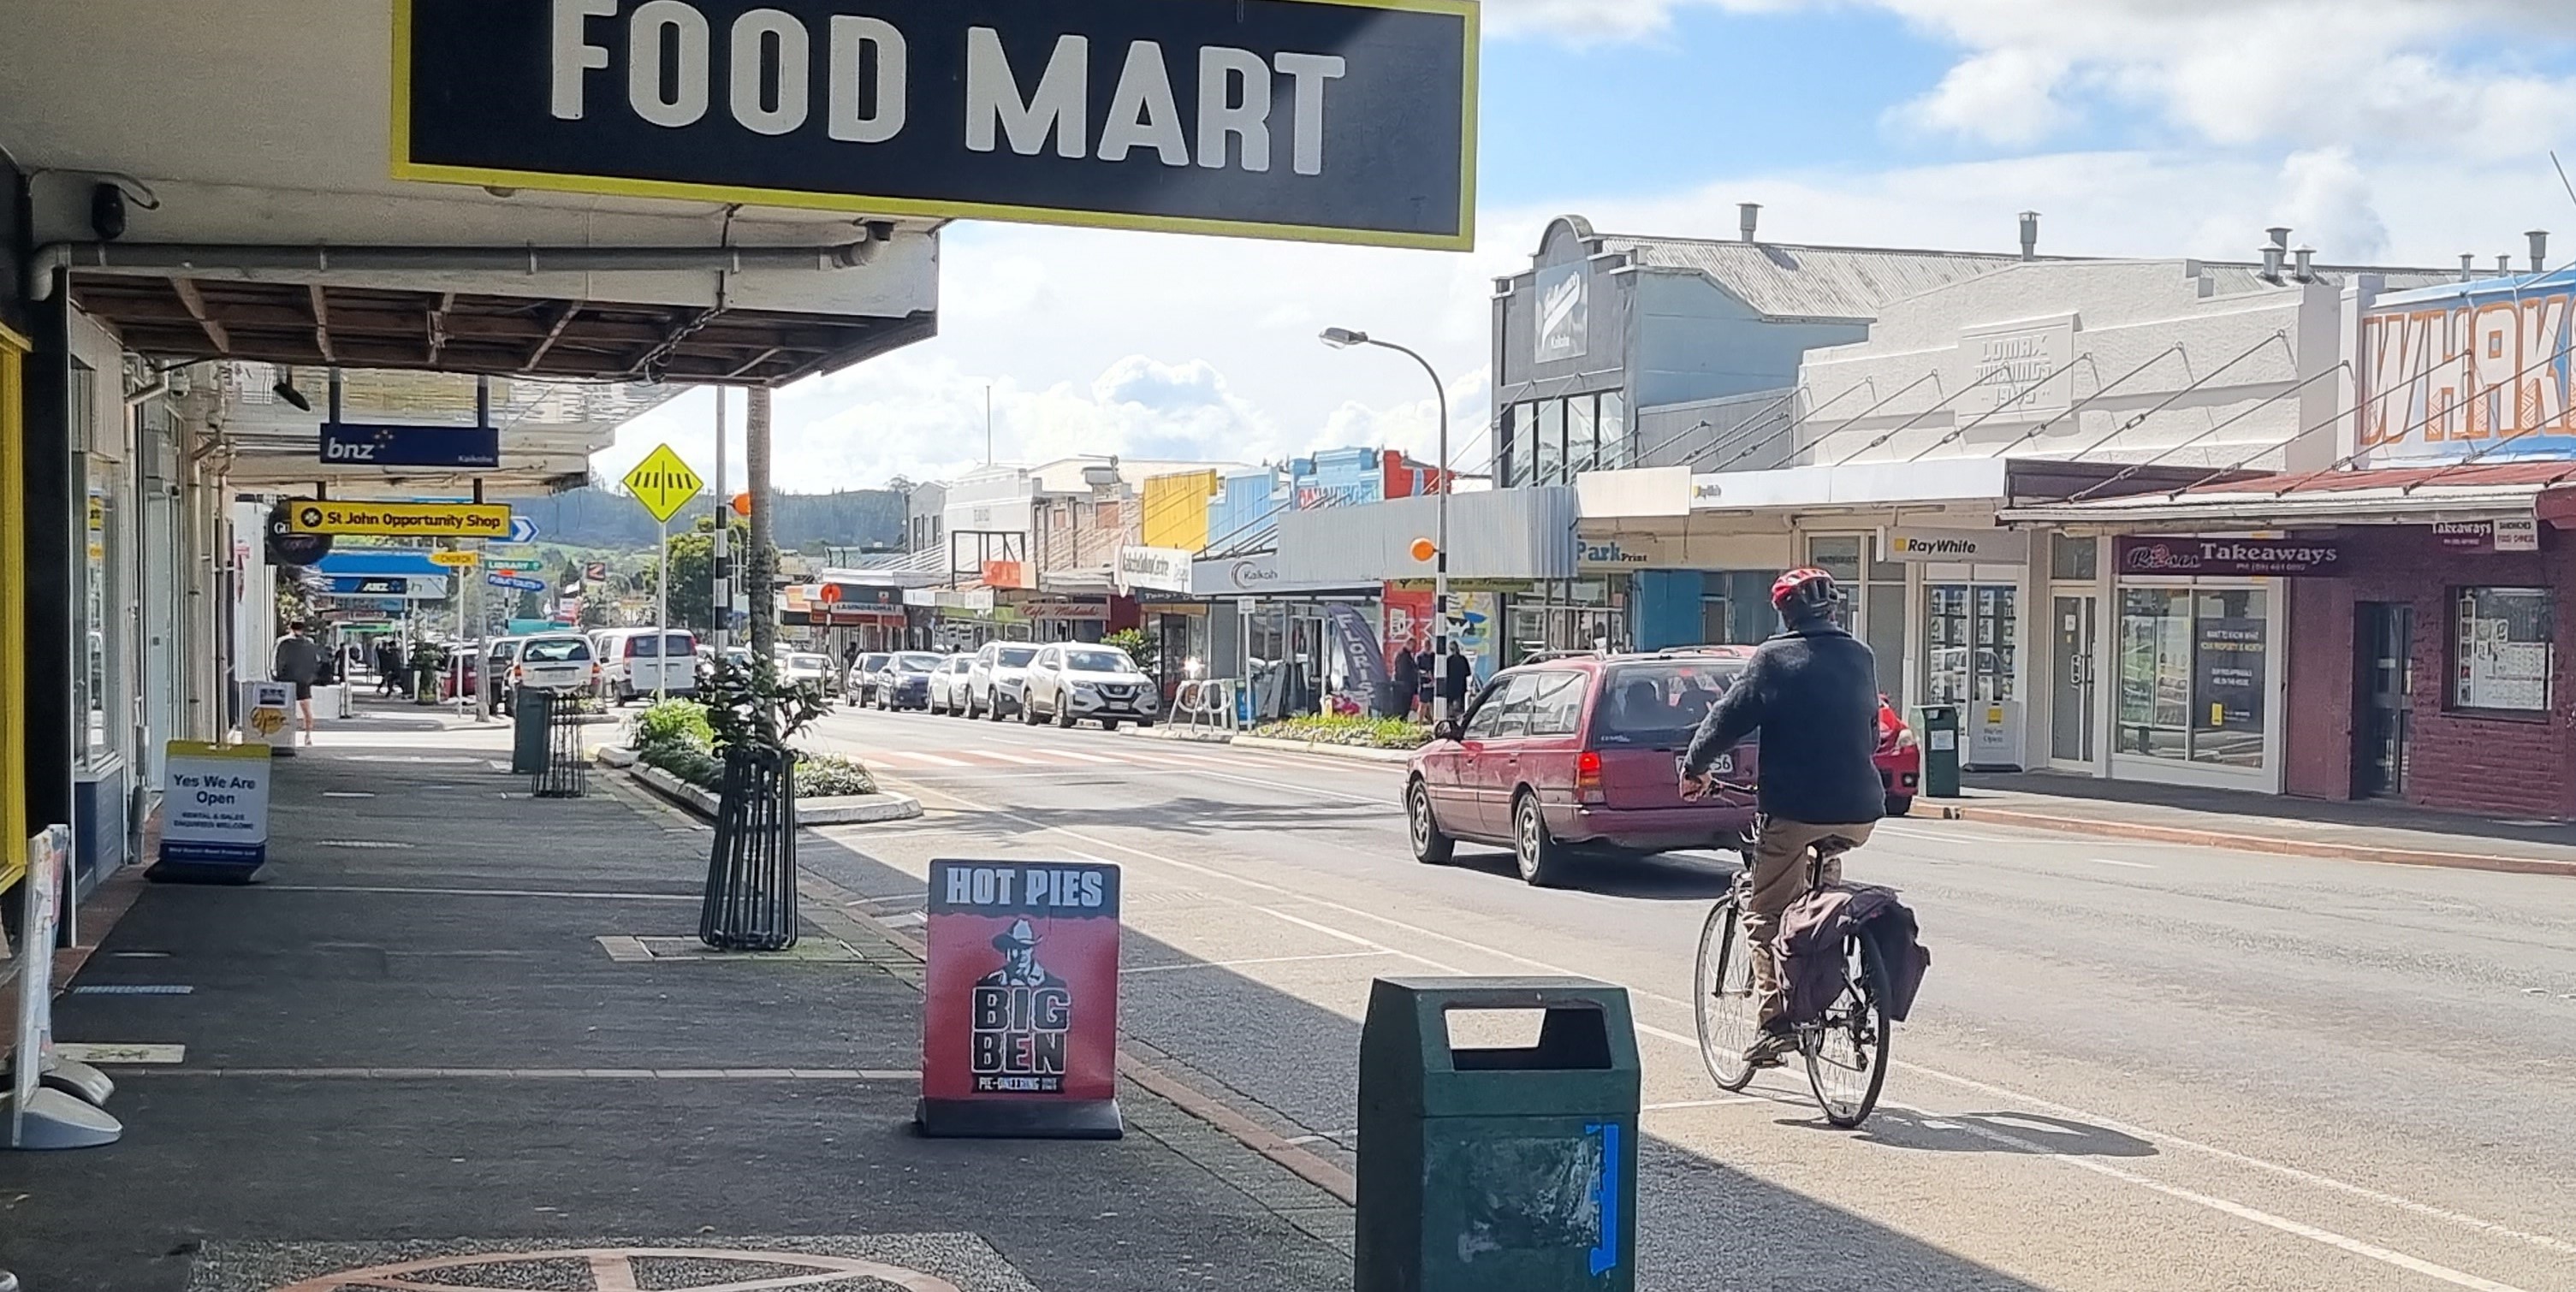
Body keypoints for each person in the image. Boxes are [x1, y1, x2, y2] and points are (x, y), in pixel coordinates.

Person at [1680, 568, 1886, 1070]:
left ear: (1784, 612)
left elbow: (1726, 720)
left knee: (1764, 912)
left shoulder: (1773, 659)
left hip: (1794, 810)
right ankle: (1828, 959)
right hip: (1859, 811)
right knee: (1822, 893)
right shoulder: (1861, 656)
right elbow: (1874, 733)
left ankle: (1775, 1024)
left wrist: (1693, 768)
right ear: (1833, 609)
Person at [272, 621, 324, 744]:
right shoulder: (310, 644)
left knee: (284, 709)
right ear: (303, 629)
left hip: (286, 680)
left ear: (290, 628)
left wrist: (277, 676)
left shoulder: (283, 642)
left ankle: (284, 736)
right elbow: (316, 662)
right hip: (304, 681)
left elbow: (278, 661)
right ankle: (308, 736)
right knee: (306, 709)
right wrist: (311, 677)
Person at [1437, 642, 1471, 717]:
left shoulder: (1449, 660)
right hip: (1461, 686)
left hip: (1451, 686)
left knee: (1451, 705)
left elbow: (1445, 673)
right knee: (1459, 707)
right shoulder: (1463, 659)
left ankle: (1452, 716)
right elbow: (1468, 673)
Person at [1390, 645, 1421, 720]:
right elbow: (1405, 671)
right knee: (1404, 705)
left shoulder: (1407, 656)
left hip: (1406, 686)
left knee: (1405, 705)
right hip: (1405, 686)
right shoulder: (1404, 657)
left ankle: (1403, 718)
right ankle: (1402, 718)